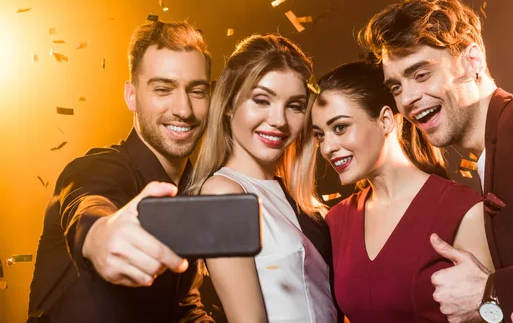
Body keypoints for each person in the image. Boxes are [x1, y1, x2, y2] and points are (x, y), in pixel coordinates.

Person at [359, 0, 513, 323]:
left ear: (473, 61)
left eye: (421, 74)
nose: (409, 98)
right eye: (396, 87)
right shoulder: (495, 151)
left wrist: (493, 292)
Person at [28, 17, 215, 323]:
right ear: (131, 95)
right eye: (163, 89)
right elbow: (88, 204)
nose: (184, 109)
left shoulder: (194, 190)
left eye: (196, 91)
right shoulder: (96, 167)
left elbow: (181, 307)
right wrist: (101, 236)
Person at [307, 61, 492, 322]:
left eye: (340, 128)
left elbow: (490, 312)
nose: (327, 148)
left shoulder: (463, 210)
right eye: (320, 135)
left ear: (384, 120)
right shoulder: (336, 220)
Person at [186, 34, 338, 323]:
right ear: (229, 104)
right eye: (261, 100)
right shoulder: (223, 195)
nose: (278, 120)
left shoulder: (294, 198)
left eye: (294, 105)